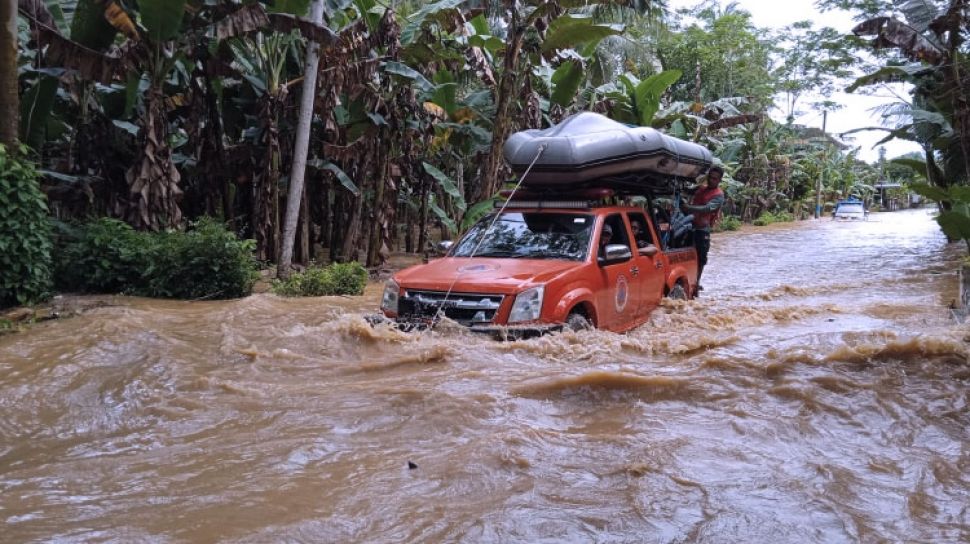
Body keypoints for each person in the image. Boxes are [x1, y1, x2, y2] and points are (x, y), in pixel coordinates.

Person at [680, 165, 725, 292]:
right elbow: (687, 191)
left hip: (702, 229)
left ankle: (696, 282)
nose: (711, 180)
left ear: (719, 180)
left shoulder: (719, 195)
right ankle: (688, 280)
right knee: (684, 253)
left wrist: (689, 208)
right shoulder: (701, 188)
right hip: (688, 226)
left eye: (715, 179)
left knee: (700, 258)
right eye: (710, 177)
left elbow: (708, 208)